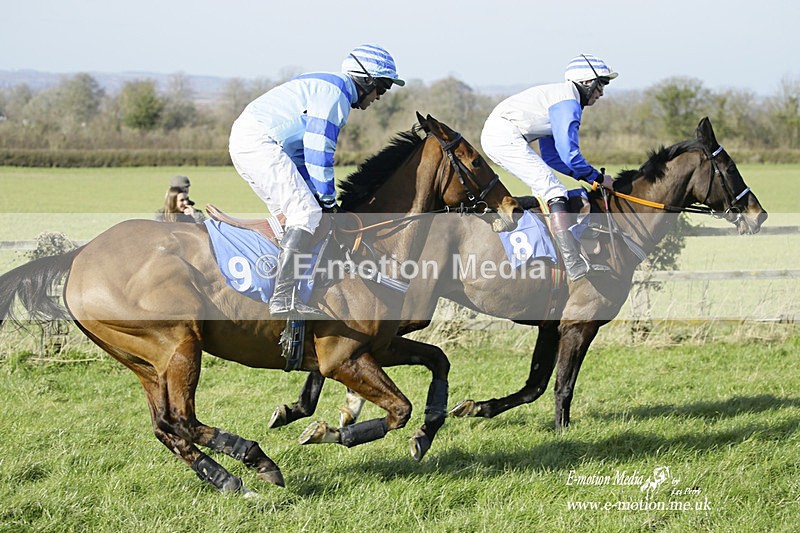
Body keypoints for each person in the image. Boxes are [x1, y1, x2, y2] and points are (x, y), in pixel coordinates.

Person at [229, 44, 405, 317]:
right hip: (259, 142)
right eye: (381, 87)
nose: (379, 97)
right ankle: (283, 298)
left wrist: (317, 194)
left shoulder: (327, 86)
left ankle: (281, 284)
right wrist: (327, 199)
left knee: (294, 215)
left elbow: (300, 153)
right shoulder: (335, 96)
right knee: (307, 213)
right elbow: (318, 152)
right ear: (366, 80)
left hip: (253, 141)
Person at [480, 54, 617, 281]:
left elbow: (553, 158)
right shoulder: (568, 103)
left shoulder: (561, 99)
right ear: (586, 82)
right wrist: (599, 179)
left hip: (500, 134)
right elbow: (571, 156)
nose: (601, 92)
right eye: (600, 84)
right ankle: (572, 261)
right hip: (504, 135)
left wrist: (589, 178)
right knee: (553, 190)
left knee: (550, 189)